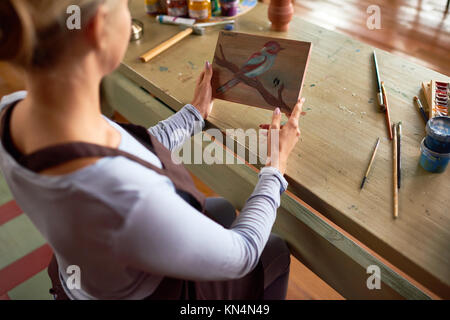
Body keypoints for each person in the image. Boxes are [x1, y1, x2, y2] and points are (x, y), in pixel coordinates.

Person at [0, 0, 304, 300]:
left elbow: (129, 148)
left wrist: (193, 114)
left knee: (221, 208)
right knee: (272, 250)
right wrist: (275, 167)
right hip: (153, 292)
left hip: (83, 274)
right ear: (96, 29)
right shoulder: (128, 198)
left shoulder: (12, 108)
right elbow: (244, 254)